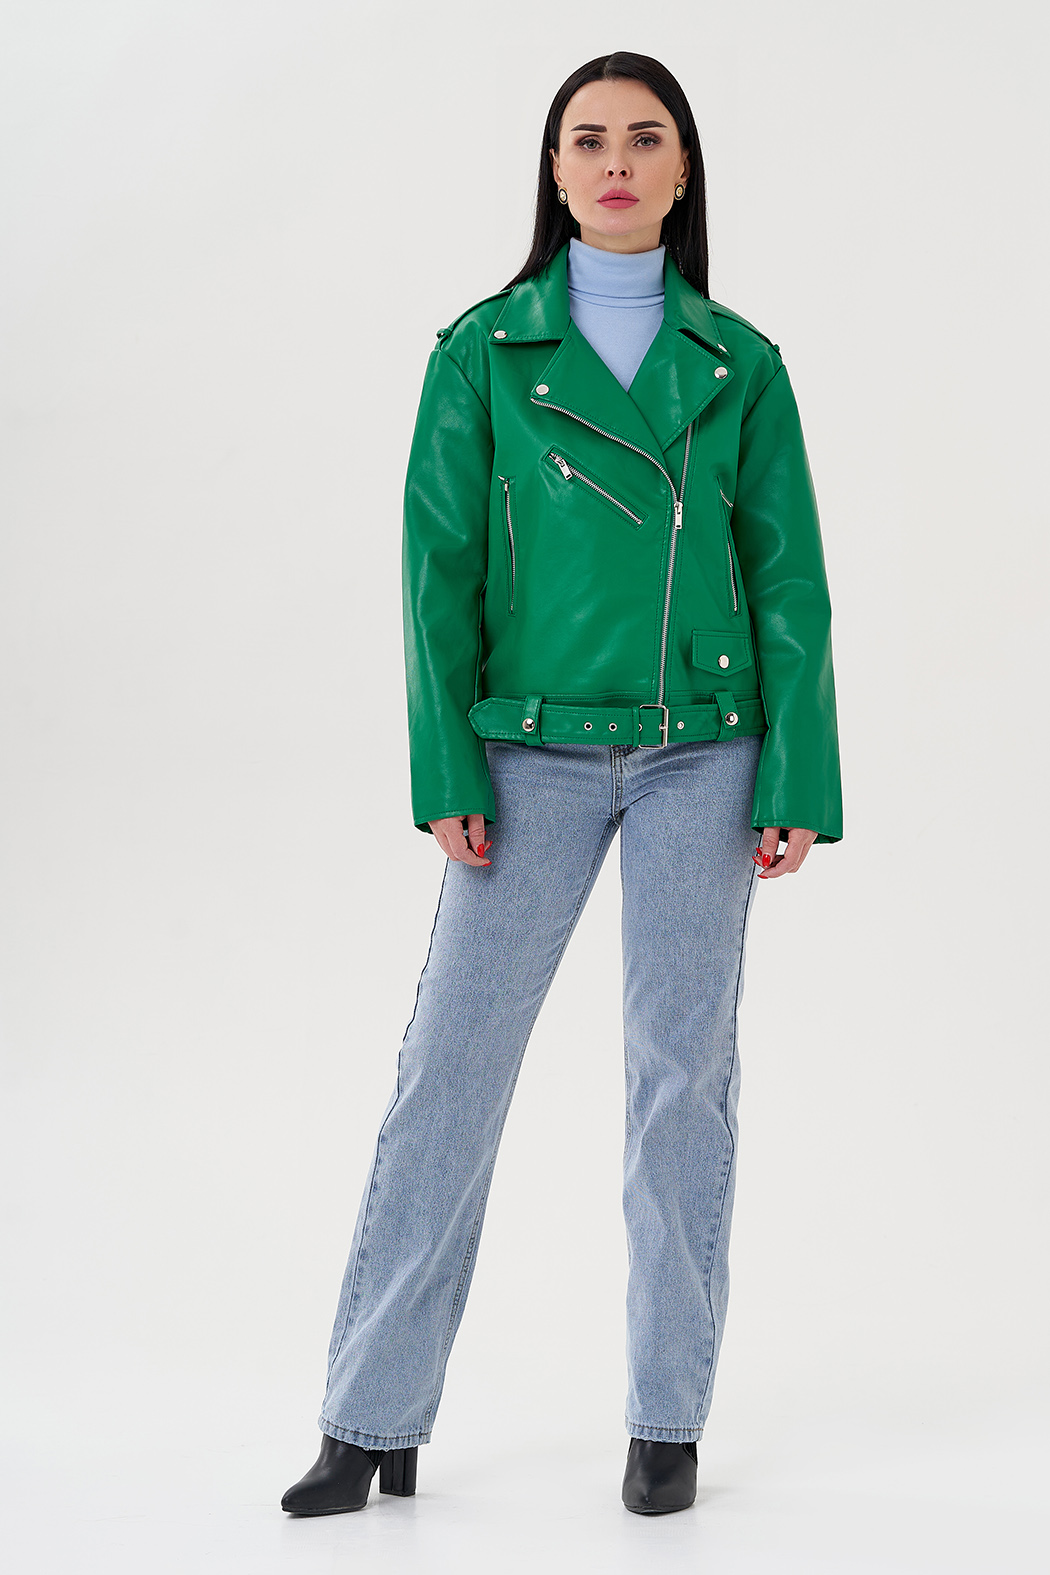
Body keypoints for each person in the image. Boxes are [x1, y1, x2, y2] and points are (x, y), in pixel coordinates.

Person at [282, 50, 842, 1519]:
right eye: (588, 140)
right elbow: (437, 572)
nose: (615, 163)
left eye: (644, 140)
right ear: (553, 169)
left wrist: (795, 768)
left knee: (680, 1082)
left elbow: (787, 578)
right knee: (449, 1072)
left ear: (682, 169)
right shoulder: (481, 352)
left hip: (701, 748)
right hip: (525, 748)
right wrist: (445, 763)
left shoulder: (740, 364)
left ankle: (667, 1416)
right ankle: (368, 1416)